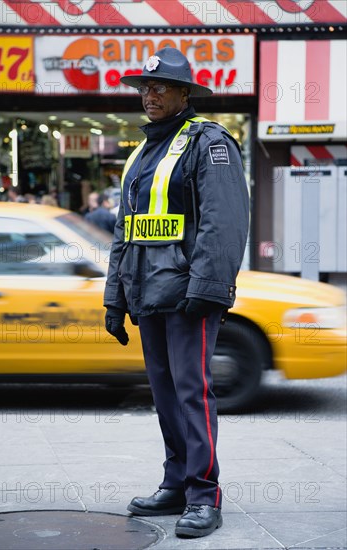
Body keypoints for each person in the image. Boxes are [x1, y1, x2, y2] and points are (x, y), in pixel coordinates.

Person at [104, 47, 249, 539]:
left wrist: (209, 288)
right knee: (166, 396)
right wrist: (114, 297)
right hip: (148, 293)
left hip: (189, 293)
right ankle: (177, 483)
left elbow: (222, 221)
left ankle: (204, 495)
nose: (150, 94)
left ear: (185, 93)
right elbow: (128, 230)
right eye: (144, 87)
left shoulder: (209, 143)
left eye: (160, 86)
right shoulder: (143, 153)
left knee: (192, 393)